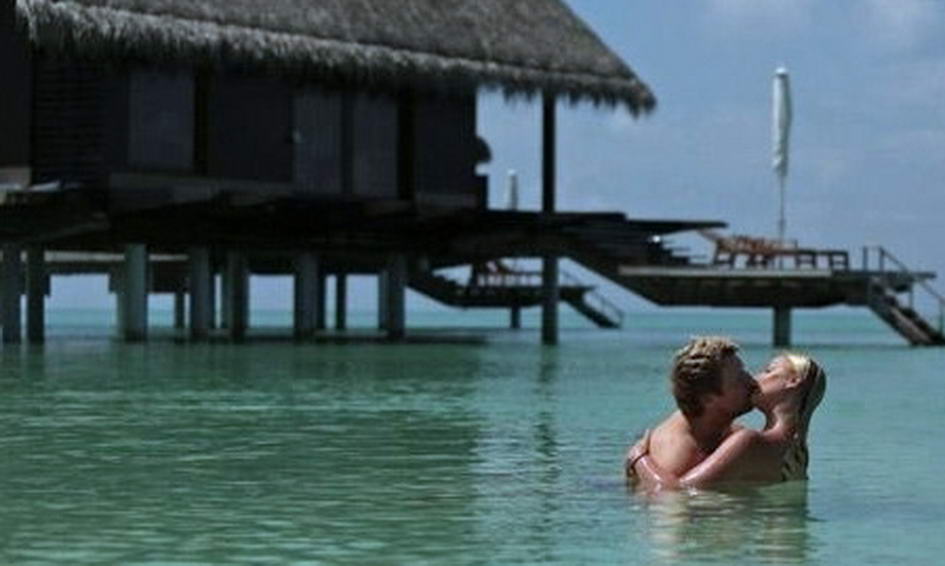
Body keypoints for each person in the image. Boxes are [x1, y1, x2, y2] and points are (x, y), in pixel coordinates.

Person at [628, 353, 827, 490]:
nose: (754, 379)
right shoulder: (798, 455)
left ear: (792, 382)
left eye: (768, 371)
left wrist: (640, 458)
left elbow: (677, 491)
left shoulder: (748, 441)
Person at [623, 336, 758, 481]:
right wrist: (640, 459)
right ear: (708, 398)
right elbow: (668, 492)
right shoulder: (679, 454)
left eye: (746, 373)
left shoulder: (724, 431)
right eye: (740, 380)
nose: (753, 382)